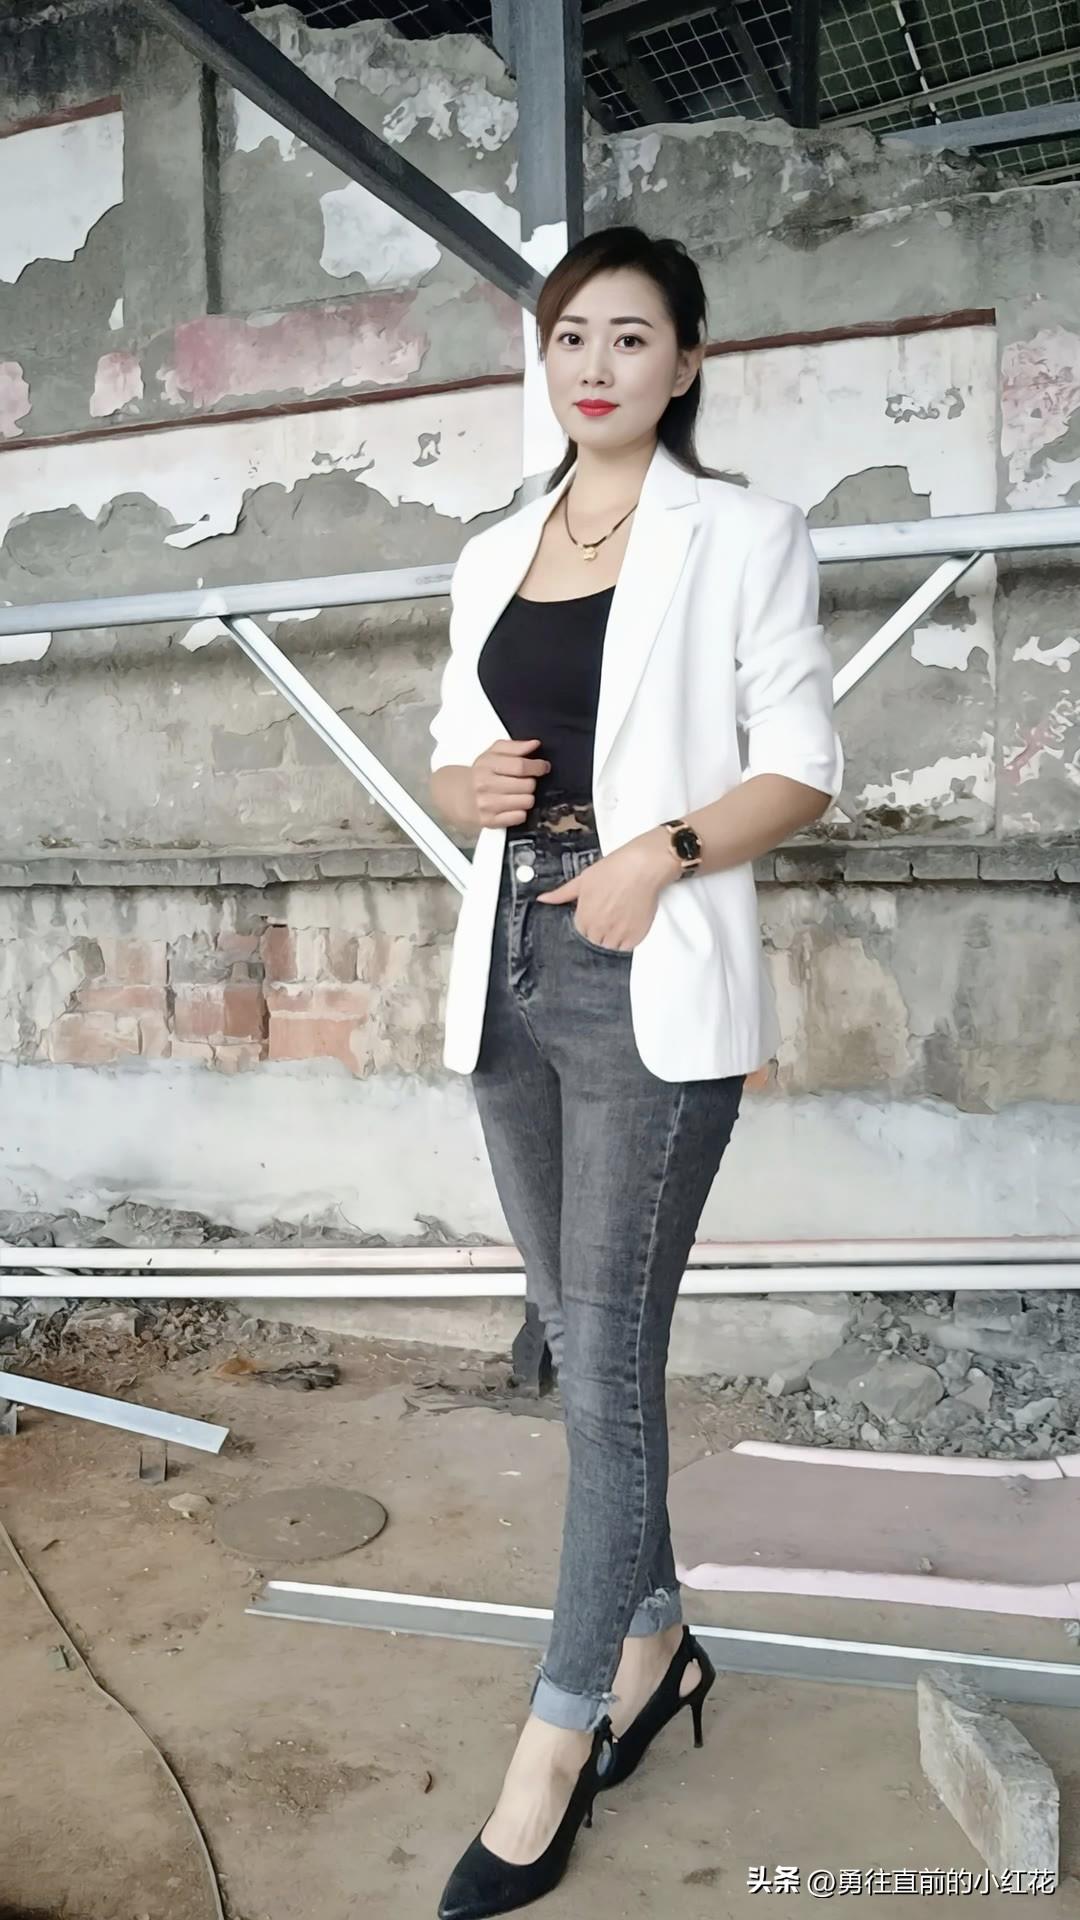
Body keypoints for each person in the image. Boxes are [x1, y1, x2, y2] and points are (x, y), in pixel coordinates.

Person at [427, 224, 843, 1919]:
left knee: (603, 1368)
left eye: (630, 335)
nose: (594, 363)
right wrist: (466, 792)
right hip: (508, 972)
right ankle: (659, 1639)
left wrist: (656, 855)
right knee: (583, 1350)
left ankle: (553, 1745)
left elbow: (801, 765)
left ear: (686, 361)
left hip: (640, 970)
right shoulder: (491, 551)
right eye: (569, 336)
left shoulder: (743, 532)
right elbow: (457, 751)